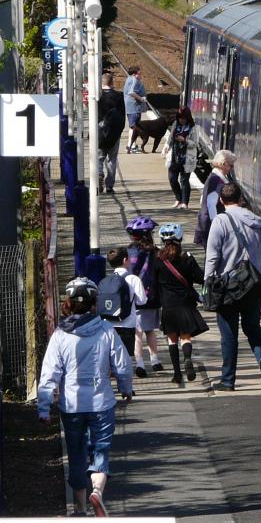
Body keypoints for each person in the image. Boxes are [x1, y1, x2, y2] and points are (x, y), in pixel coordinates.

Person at [37, 277, 132, 518]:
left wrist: (44, 407)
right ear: (93, 303)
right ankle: (97, 492)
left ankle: (79, 508)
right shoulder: (106, 330)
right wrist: (125, 388)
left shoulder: (60, 335)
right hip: (102, 402)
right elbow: (122, 364)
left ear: (68, 302)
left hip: (71, 405)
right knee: (101, 449)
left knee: (76, 452)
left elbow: (49, 373)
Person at [204, 183, 261, 391]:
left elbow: (212, 257)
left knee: (229, 335)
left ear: (221, 201)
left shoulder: (220, 221)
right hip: (252, 286)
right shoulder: (257, 222)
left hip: (228, 288)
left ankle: (228, 380)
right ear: (241, 198)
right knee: (253, 328)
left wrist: (208, 284)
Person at [152, 223, 207, 384]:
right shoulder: (186, 257)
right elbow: (200, 278)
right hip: (185, 304)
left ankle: (177, 374)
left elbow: (153, 283)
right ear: (181, 238)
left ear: (162, 240)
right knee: (186, 337)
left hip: (168, 306)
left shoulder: (158, 259)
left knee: (172, 340)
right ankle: (188, 359)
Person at [125, 216, 163, 378]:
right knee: (150, 330)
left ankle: (140, 363)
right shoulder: (155, 251)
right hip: (154, 296)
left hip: (137, 296)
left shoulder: (131, 252)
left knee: (137, 333)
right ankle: (155, 360)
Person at [105, 248, 148, 372]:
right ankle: (127, 388)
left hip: (109, 323)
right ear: (125, 260)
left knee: (111, 354)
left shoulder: (107, 280)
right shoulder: (134, 279)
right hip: (128, 323)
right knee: (127, 355)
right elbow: (142, 301)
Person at [194, 149, 236, 247]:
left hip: (208, 224)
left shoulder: (214, 178)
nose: (231, 168)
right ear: (223, 164)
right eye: (231, 165)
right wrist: (217, 225)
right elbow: (211, 205)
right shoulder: (216, 181)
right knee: (213, 257)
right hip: (211, 226)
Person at [162, 106, 199, 209]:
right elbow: (170, 138)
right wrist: (165, 147)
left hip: (186, 158)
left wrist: (184, 140)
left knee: (184, 180)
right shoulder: (175, 124)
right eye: (180, 118)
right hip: (174, 156)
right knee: (172, 179)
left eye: (183, 118)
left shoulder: (193, 128)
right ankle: (178, 198)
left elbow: (195, 143)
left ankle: (184, 202)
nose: (181, 120)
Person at [97, 73, 125, 194]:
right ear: (111, 82)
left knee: (99, 157)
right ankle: (109, 186)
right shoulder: (119, 96)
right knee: (112, 159)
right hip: (114, 133)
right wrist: (119, 131)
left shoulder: (98, 96)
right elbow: (123, 116)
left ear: (102, 83)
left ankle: (99, 175)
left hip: (99, 131)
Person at [123, 66, 147, 154]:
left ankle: (131, 145)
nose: (141, 75)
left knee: (133, 126)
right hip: (134, 107)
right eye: (139, 74)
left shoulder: (130, 79)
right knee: (134, 127)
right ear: (134, 74)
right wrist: (141, 99)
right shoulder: (133, 80)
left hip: (132, 107)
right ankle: (131, 146)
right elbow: (131, 92)